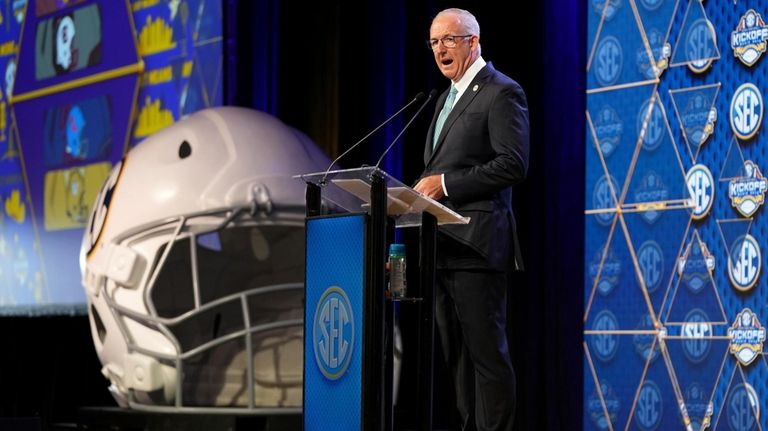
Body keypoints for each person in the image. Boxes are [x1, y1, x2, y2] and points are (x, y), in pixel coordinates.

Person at [413, 8, 529, 431]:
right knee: (457, 359)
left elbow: (512, 165)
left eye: (448, 40)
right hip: (444, 246)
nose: (439, 49)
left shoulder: (502, 92)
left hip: (478, 245)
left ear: (473, 42)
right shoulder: (444, 98)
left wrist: (444, 183)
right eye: (433, 42)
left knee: (487, 358)